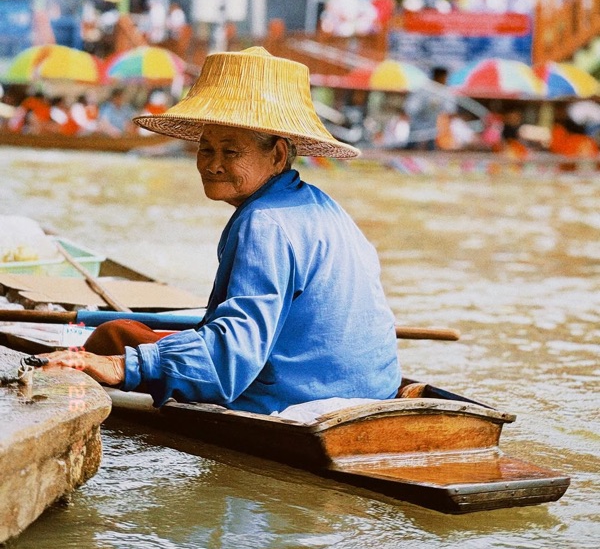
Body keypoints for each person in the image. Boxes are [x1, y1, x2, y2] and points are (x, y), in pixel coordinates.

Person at [40, 47, 401, 415]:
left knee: (109, 340)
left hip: (301, 401)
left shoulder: (264, 223)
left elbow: (231, 361)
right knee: (124, 332)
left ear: (277, 156)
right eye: (206, 148)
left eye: (230, 152)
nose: (212, 165)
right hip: (377, 390)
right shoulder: (324, 207)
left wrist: (121, 365)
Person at [404, 66, 456, 150]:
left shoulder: (445, 91)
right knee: (412, 143)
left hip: (434, 123)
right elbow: (412, 106)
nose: (445, 80)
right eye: (444, 77)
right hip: (418, 120)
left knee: (431, 145)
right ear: (438, 76)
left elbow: (449, 109)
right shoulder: (425, 88)